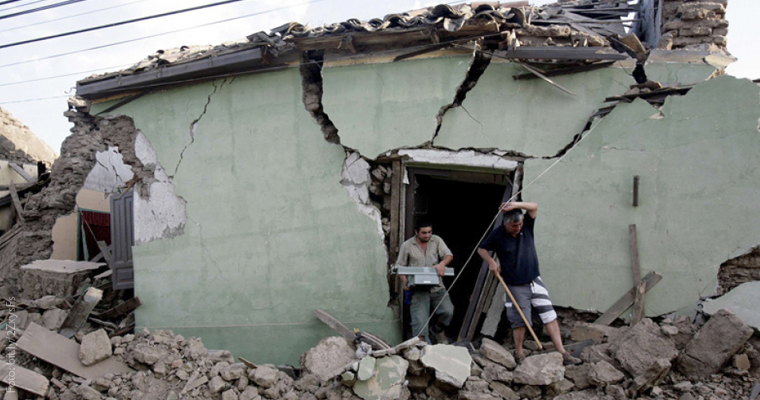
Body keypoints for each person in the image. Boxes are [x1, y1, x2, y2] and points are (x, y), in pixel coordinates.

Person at [477, 201, 582, 365]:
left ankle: (562, 353)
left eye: (519, 224)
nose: (517, 228)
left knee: (549, 315)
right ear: (505, 224)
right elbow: (481, 249)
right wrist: (491, 261)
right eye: (514, 226)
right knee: (520, 320)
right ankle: (519, 353)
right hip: (514, 284)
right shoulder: (498, 235)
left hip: (534, 280)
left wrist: (515, 204)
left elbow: (534, 206)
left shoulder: (526, 227)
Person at [396, 219, 454, 344]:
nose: (427, 235)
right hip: (418, 289)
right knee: (420, 323)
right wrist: (405, 282)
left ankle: (437, 330)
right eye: (424, 233)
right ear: (416, 232)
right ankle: (423, 349)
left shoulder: (437, 240)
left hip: (437, 286)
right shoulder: (407, 245)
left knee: (448, 311)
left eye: (429, 232)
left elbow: (449, 255)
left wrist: (442, 264)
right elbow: (400, 267)